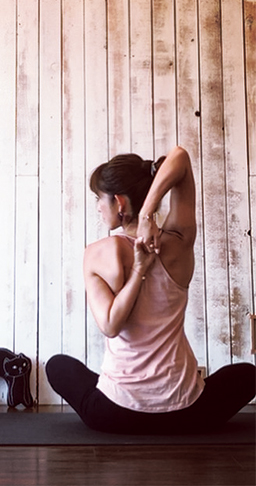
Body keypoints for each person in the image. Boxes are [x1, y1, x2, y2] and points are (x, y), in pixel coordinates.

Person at [46, 146, 256, 434]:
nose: (97, 206)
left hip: (115, 412)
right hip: (187, 412)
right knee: (247, 375)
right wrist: (147, 218)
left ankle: (124, 391)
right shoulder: (178, 243)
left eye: (99, 198)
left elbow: (109, 326)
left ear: (119, 202)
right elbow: (180, 157)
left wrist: (138, 266)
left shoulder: (97, 253)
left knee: (57, 366)